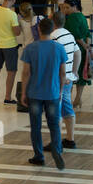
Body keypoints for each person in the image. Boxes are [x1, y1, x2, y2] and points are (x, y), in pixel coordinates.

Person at [20, 18, 68, 169]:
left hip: (34, 93)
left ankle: (39, 156)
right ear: (52, 29)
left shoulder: (30, 48)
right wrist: (60, 90)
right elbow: (62, 73)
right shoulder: (59, 48)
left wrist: (23, 93)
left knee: (36, 126)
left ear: (39, 30)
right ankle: (57, 150)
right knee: (54, 125)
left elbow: (26, 72)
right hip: (52, 93)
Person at [49, 10, 82, 149]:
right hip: (68, 78)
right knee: (67, 108)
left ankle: (56, 142)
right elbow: (78, 52)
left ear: (52, 21)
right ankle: (70, 139)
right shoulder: (69, 34)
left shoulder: (52, 37)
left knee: (56, 111)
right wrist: (74, 71)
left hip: (58, 80)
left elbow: (52, 60)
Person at [62, 0, 93, 109]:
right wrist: (87, 45)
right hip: (83, 49)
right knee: (81, 75)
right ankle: (77, 99)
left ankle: (68, 99)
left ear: (74, 7)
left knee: (70, 74)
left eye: (67, 7)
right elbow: (87, 32)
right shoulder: (82, 16)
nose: (65, 10)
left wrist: (83, 44)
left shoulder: (72, 17)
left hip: (74, 49)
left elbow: (75, 33)